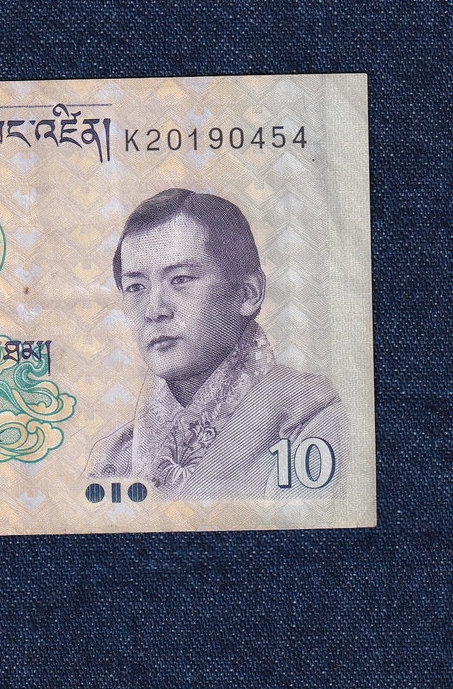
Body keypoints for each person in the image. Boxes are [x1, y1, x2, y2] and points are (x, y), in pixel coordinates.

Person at [88, 189, 348, 498]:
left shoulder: (312, 415)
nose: (155, 310)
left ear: (248, 293)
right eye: (135, 287)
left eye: (180, 279)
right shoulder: (116, 454)